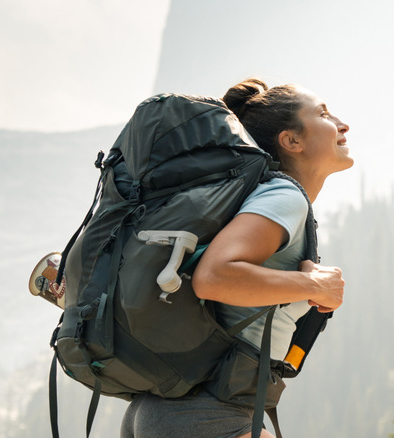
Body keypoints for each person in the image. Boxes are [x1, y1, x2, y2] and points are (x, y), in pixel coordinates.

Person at [120, 78, 353, 438]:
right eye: (323, 113)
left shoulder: (258, 198)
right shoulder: (283, 197)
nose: (341, 123)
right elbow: (214, 278)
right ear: (291, 141)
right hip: (206, 414)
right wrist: (314, 284)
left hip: (174, 408)